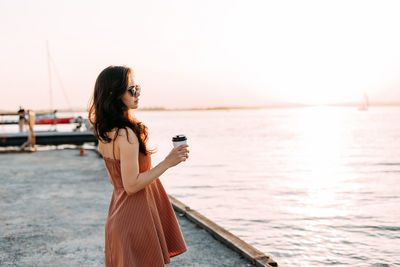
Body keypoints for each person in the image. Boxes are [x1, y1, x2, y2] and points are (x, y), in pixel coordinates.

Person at [88, 66, 189, 267]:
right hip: (135, 219)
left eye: (137, 88)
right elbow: (132, 185)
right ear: (114, 94)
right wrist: (168, 162)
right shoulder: (125, 133)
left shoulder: (106, 132)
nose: (137, 94)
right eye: (131, 90)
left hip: (119, 216)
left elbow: (116, 181)